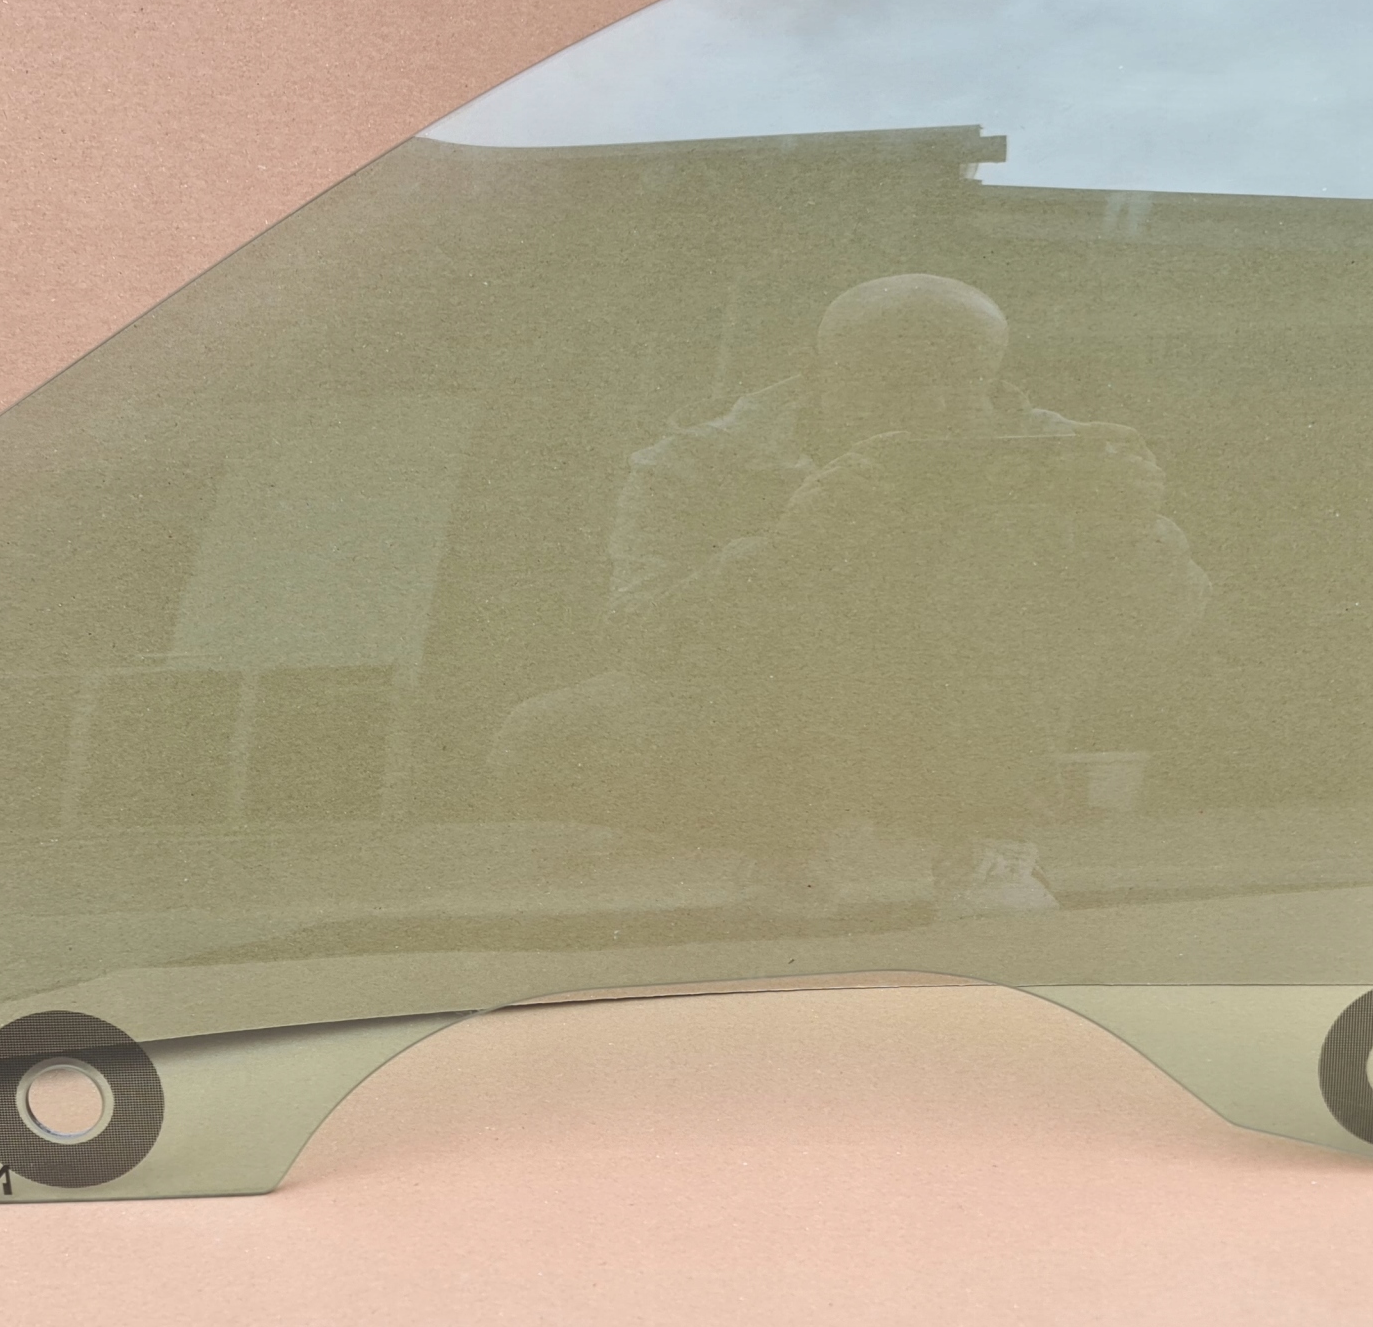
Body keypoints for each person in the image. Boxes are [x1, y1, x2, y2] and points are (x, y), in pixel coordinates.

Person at [488, 274, 1209, 919]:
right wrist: (792, 545)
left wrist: (1131, 533)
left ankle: (987, 840)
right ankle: (781, 837)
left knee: (1008, 604)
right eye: (898, 382)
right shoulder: (706, 462)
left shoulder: (1055, 456)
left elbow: (1161, 633)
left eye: (963, 381)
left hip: (979, 721)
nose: (932, 406)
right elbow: (643, 633)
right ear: (818, 371)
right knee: (550, 739)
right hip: (778, 718)